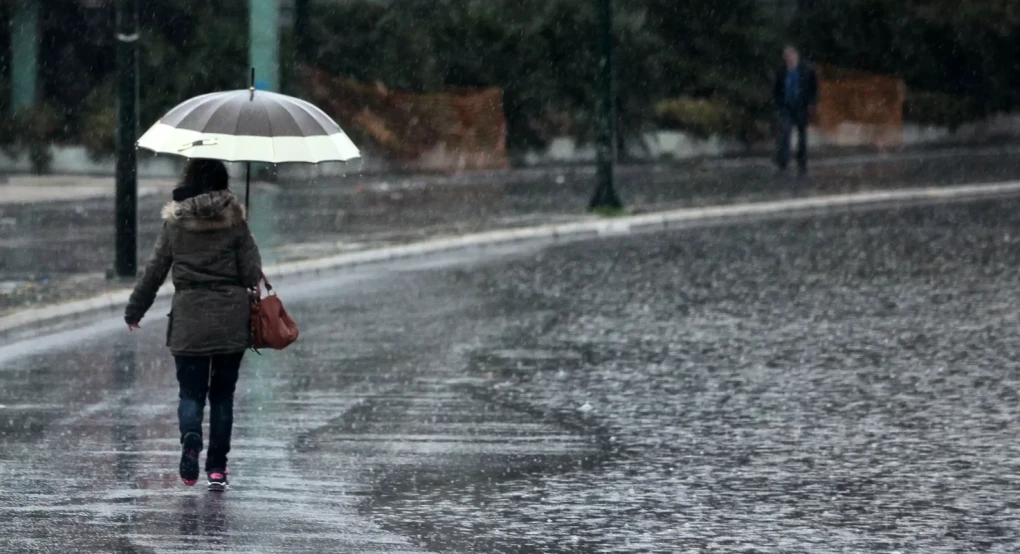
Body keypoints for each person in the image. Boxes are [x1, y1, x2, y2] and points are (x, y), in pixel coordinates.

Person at [125, 159, 262, 491]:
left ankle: (191, 437)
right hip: (230, 319)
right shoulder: (236, 222)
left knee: (191, 394)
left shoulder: (176, 222)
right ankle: (217, 468)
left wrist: (135, 310)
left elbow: (154, 271)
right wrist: (245, 233)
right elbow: (250, 274)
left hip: (189, 319)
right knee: (223, 396)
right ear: (222, 182)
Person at [773, 45, 819, 175]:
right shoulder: (782, 71)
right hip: (786, 106)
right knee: (785, 132)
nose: (790, 59)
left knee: (802, 134)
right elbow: (777, 89)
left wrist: (811, 103)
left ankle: (802, 161)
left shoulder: (807, 70)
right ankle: (783, 160)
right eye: (787, 57)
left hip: (801, 106)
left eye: (792, 56)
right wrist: (779, 103)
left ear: (796, 56)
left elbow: (813, 88)